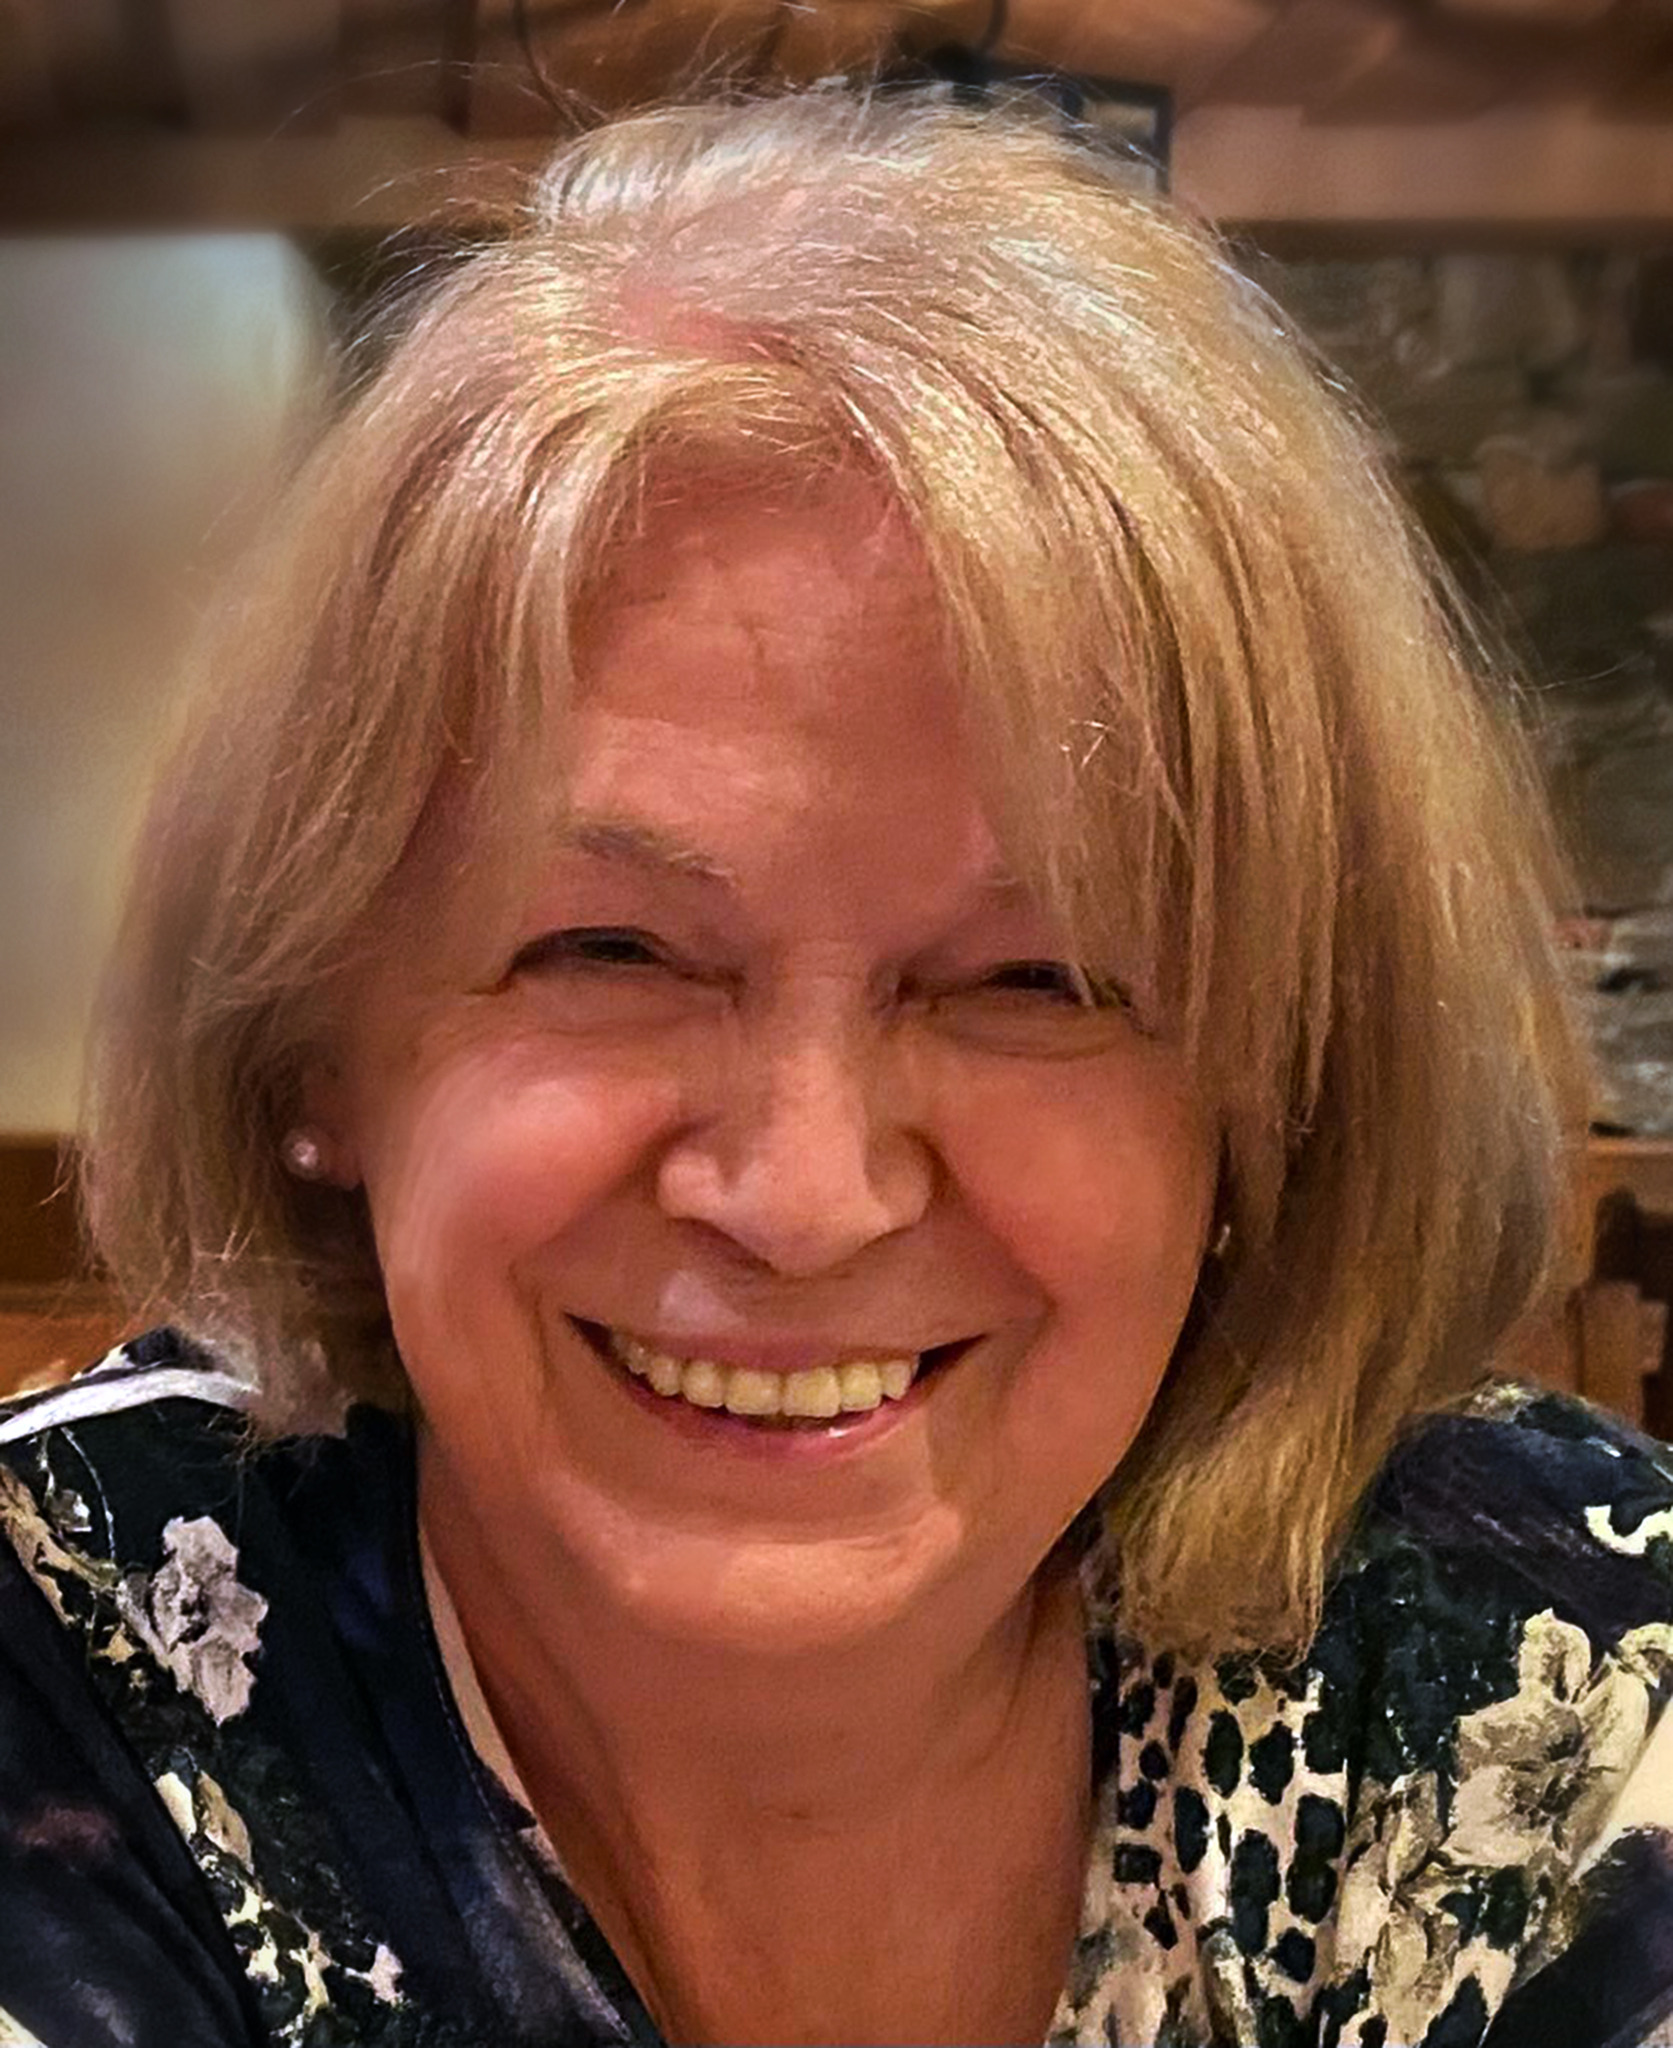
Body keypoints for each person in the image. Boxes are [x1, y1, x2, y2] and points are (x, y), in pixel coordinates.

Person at [2, 85, 1670, 2048]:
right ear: (316, 1042)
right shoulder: (60, 1688)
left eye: (1038, 979)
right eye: (610, 951)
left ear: (1271, 1094)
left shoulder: (1562, 1666)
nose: (802, 1199)